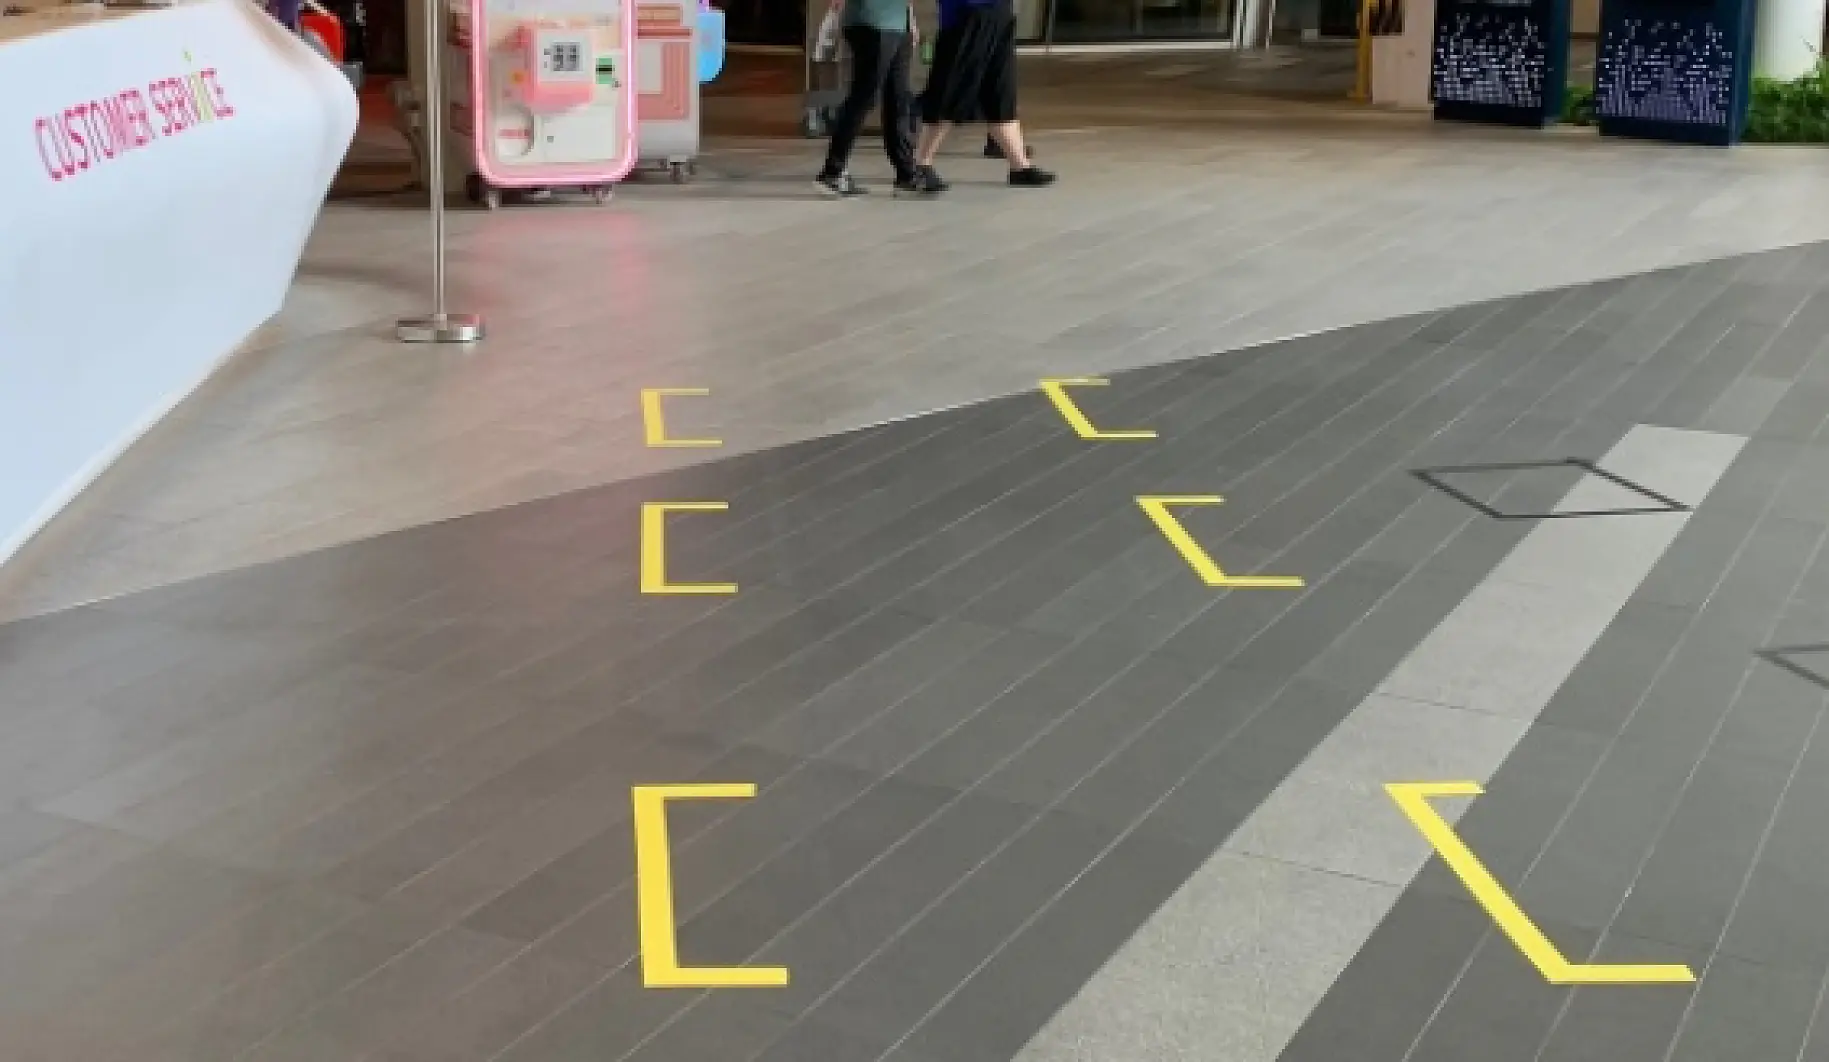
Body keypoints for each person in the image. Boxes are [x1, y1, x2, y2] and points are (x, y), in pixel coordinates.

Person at [910, 0, 1052, 191]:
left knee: (1000, 92)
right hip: (966, 15)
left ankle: (1020, 167)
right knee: (950, 91)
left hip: (1000, 14)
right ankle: (921, 164)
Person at [813, 0, 920, 196]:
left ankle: (906, 175)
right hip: (872, 22)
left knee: (898, 98)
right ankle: (832, 172)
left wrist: (910, 18)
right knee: (863, 98)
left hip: (898, 23)